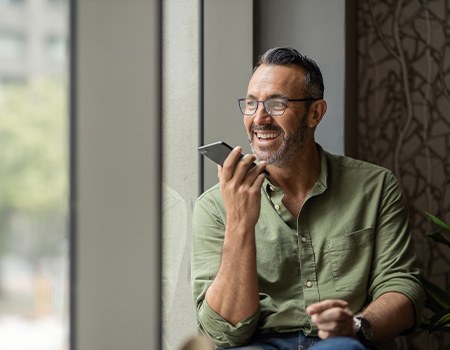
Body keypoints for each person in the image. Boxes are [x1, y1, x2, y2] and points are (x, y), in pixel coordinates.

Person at [191, 47, 424, 350]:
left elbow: (403, 288)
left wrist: (355, 326)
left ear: (315, 113)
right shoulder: (215, 206)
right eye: (251, 104)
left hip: (342, 342)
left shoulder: (376, 187)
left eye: (277, 104)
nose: (259, 118)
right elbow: (223, 333)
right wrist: (239, 224)